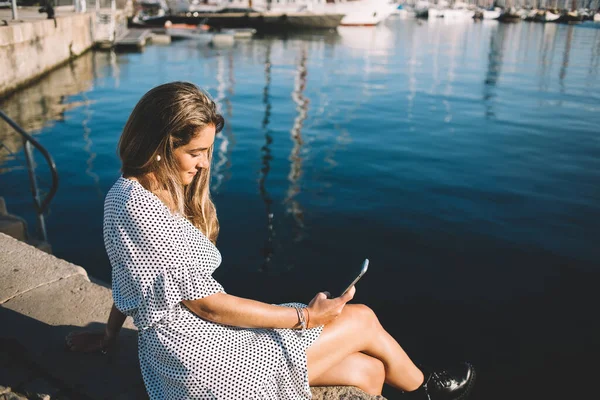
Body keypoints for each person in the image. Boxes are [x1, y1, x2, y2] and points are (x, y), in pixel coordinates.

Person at [65, 82, 475, 400]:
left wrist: (108, 339)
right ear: (159, 145)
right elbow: (208, 306)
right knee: (362, 318)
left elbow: (128, 281)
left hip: (184, 353)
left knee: (367, 373)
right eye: (196, 152)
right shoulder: (143, 208)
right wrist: (305, 319)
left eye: (208, 150)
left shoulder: (134, 193)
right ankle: (427, 390)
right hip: (197, 363)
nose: (205, 162)